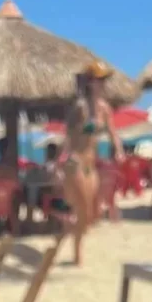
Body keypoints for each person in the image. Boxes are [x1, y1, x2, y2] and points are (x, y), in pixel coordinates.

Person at [62, 60, 124, 265]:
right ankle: (77, 255)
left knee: (92, 215)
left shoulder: (105, 108)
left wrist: (119, 150)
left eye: (104, 80)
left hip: (92, 164)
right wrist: (60, 160)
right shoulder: (80, 107)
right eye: (99, 80)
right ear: (90, 83)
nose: (103, 84)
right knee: (83, 211)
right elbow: (69, 136)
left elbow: (113, 132)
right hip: (76, 162)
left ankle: (67, 230)